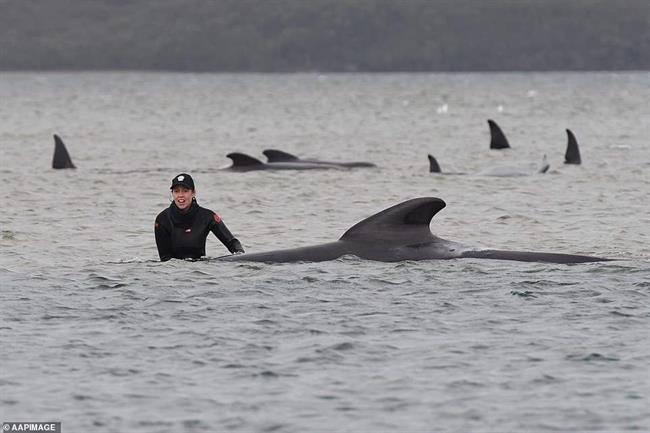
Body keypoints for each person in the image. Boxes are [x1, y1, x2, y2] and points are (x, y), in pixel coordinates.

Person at [154, 173, 244, 261]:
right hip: (173, 272)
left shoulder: (207, 216)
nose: (180, 195)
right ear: (172, 194)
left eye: (185, 191)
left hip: (200, 271)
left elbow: (232, 243)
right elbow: (165, 259)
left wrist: (240, 256)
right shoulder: (162, 219)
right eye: (176, 191)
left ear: (193, 193)